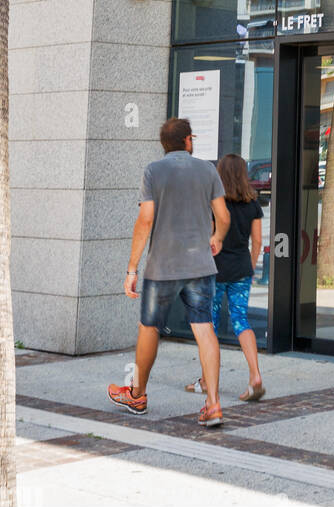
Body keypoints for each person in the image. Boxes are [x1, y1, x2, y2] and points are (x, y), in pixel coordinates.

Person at [108, 117, 229, 427]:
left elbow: (145, 220)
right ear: (188, 140)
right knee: (204, 327)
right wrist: (216, 239)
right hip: (200, 264)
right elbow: (223, 216)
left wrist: (132, 267)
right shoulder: (208, 170)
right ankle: (213, 404)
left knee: (149, 327)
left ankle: (138, 394)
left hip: (162, 266)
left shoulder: (153, 171)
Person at [186, 153, 265, 402]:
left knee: (209, 325)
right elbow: (258, 241)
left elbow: (207, 239)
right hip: (241, 268)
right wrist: (250, 268)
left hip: (215, 270)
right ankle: (255, 376)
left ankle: (206, 382)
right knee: (241, 319)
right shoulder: (253, 203)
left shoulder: (215, 204)